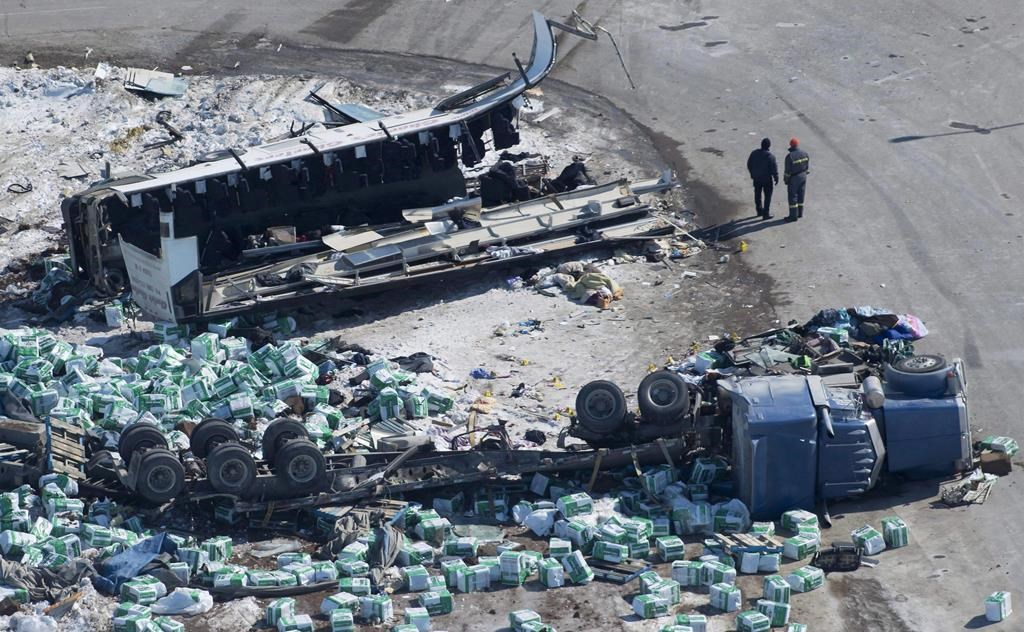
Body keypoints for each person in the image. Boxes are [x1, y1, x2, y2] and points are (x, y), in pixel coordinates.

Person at [746, 138, 778, 219]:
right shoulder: (770, 157)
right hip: (767, 180)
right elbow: (774, 169)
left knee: (757, 194)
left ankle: (759, 210)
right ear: (769, 146)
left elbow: (749, 164)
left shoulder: (754, 153)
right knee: (767, 196)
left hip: (756, 179)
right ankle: (766, 213)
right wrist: (776, 177)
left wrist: (752, 174)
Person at [784, 137, 810, 221]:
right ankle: (800, 213)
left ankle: (793, 216)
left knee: (792, 196)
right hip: (803, 176)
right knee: (801, 194)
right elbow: (807, 167)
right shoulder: (805, 153)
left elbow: (787, 172)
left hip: (794, 178)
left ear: (791, 145)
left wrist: (786, 180)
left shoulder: (790, 156)